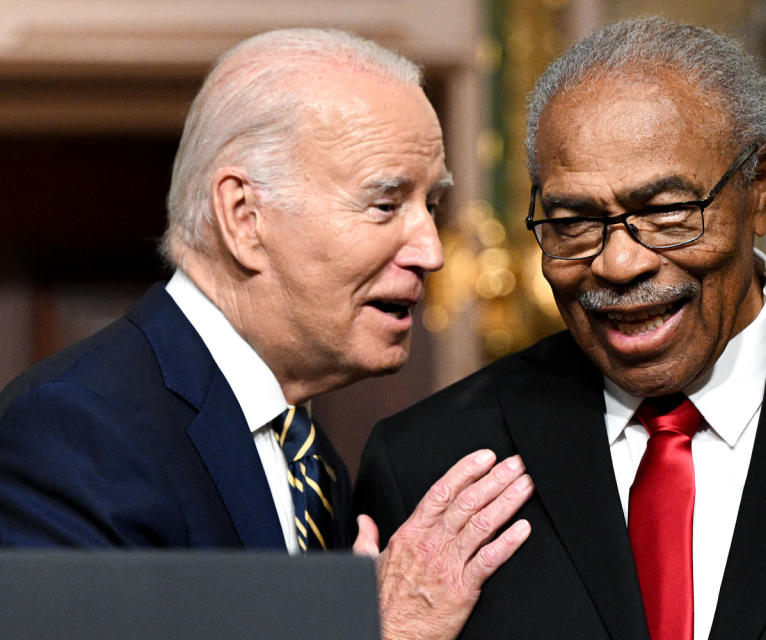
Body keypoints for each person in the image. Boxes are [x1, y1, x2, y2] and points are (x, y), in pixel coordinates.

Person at [354, 16, 766, 640]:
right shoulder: (430, 464)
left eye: (668, 212)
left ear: (759, 188)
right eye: (575, 221)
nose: (619, 264)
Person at [0, 29, 534, 640]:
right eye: (386, 204)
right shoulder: (73, 431)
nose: (431, 252)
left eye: (430, 206)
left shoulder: (311, 462)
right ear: (244, 218)